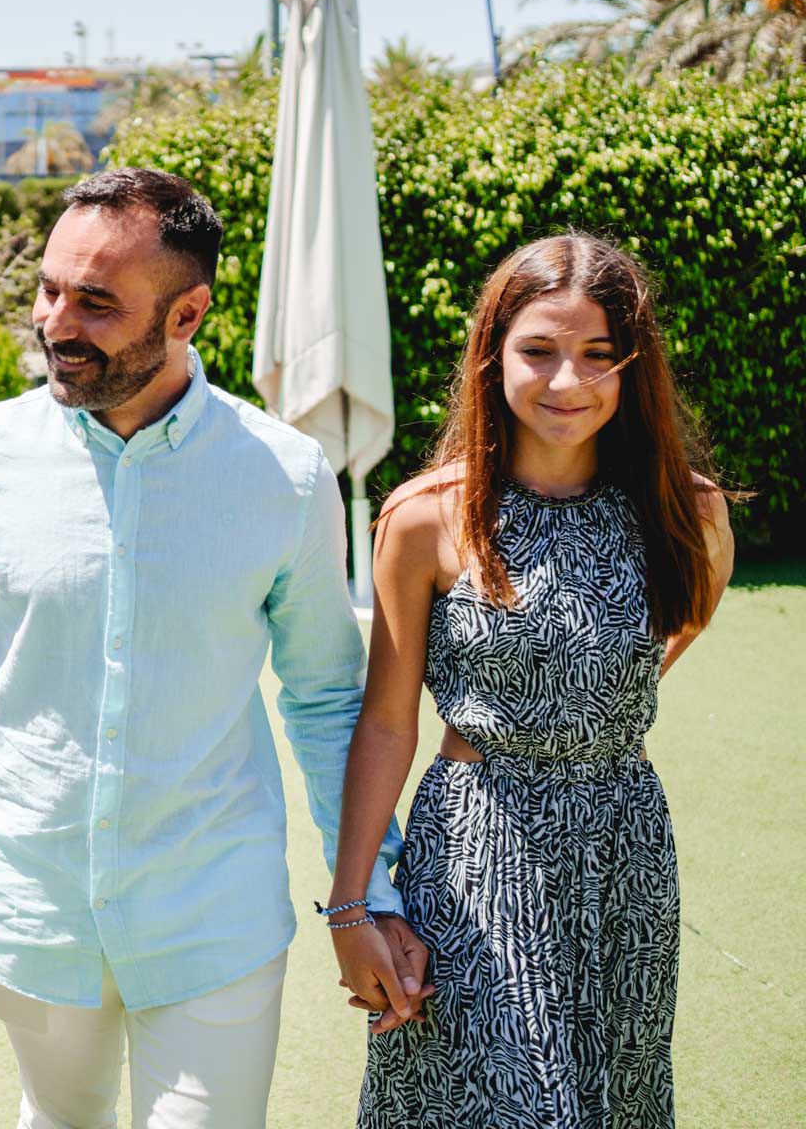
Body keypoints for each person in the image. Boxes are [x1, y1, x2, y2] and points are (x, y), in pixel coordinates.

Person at [0, 166, 425, 1129]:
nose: (56, 322)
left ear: (187, 314)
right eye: (49, 290)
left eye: (96, 302)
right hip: (30, 907)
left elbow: (326, 699)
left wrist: (369, 892)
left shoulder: (285, 476)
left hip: (213, 915)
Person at [332, 235, 734, 1126]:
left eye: (598, 354)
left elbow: (673, 635)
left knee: (611, 1097)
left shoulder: (691, 514)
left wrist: (585, 715)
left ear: (633, 366)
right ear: (494, 356)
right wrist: (351, 905)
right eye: (539, 350)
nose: (566, 380)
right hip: (475, 849)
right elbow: (388, 721)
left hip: (624, 853)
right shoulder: (424, 518)